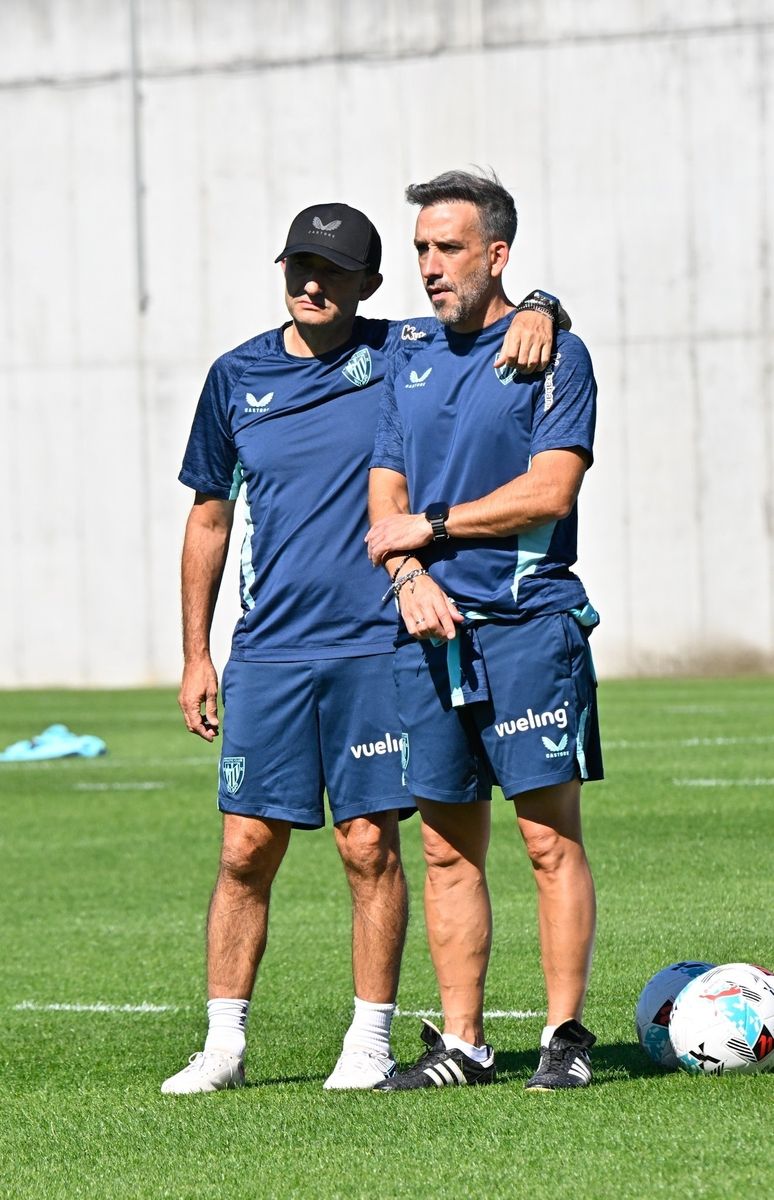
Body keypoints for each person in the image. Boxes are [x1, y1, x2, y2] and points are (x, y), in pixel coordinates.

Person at [161, 199, 564, 1094]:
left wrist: (544, 303)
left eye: (333, 272)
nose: (312, 283)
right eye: (299, 266)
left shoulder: (402, 352)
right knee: (244, 848)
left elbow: (487, 308)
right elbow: (210, 515)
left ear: (367, 287)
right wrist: (197, 651)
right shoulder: (235, 376)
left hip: (381, 647)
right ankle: (224, 1044)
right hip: (267, 652)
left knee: (367, 845)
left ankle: (370, 1040)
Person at [366, 169, 603, 1092]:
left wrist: (431, 528)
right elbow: (385, 494)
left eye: (448, 248)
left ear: (496, 254)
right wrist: (409, 571)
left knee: (548, 837)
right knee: (443, 844)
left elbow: (551, 491)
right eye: (421, 248)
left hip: (527, 626)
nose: (427, 265)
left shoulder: (554, 356)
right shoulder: (407, 354)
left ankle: (566, 1037)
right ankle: (462, 1044)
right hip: (424, 629)